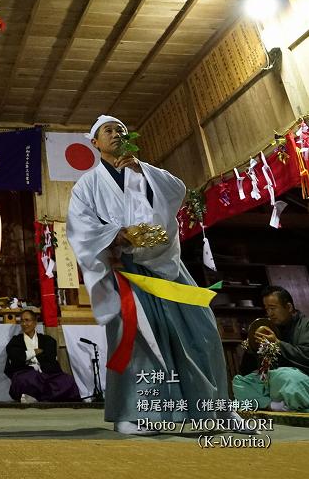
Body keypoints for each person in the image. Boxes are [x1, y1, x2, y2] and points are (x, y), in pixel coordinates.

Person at [67, 115, 245, 436]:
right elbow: (80, 226)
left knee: (200, 329)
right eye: (108, 130)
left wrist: (143, 171)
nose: (116, 133)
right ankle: (132, 413)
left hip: (165, 263)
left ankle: (217, 408)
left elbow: (177, 192)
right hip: (123, 266)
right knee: (135, 338)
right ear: (94, 142)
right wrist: (115, 234)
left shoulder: (144, 170)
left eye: (121, 129)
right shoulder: (88, 184)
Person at [233, 286, 309, 412]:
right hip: (277, 381)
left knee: (287, 376)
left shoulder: (305, 325)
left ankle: (286, 404)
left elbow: (306, 356)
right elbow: (249, 370)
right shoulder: (272, 327)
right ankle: (274, 406)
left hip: (299, 379)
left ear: (289, 307)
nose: (270, 313)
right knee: (240, 382)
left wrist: (278, 343)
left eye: (273, 308)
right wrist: (252, 347)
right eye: (267, 309)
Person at [4, 309, 80, 403]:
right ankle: (48, 397)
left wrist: (27, 356)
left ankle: (35, 397)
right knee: (26, 379)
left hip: (46, 373)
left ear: (35, 322)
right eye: (22, 321)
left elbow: (50, 357)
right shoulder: (16, 341)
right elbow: (15, 356)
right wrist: (34, 352)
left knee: (67, 380)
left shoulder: (47, 340)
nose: (24, 324)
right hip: (26, 372)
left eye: (27, 320)